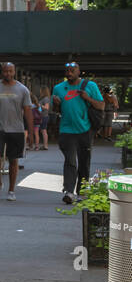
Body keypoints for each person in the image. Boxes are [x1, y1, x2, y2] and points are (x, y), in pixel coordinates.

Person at [0, 62, 34, 201]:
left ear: (14, 72)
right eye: (5, 71)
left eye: (10, 71)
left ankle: (11, 190)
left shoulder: (23, 90)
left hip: (16, 128)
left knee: (13, 159)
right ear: (1, 72)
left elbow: (28, 111)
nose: (8, 74)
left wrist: (31, 133)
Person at [52, 61, 104, 205]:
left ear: (78, 71)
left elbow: (101, 105)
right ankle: (69, 191)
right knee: (70, 160)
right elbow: (56, 111)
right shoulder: (58, 88)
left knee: (84, 161)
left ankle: (82, 192)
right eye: (67, 71)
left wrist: (87, 98)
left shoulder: (90, 86)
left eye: (72, 70)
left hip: (85, 130)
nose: (69, 73)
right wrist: (56, 104)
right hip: (66, 130)